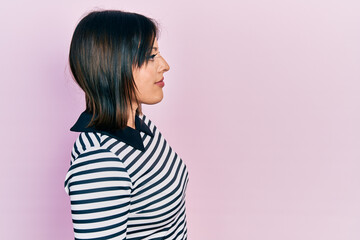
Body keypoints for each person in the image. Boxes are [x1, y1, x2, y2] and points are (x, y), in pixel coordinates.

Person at [64, 10, 189, 240]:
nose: (165, 65)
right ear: (114, 66)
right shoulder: (100, 162)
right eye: (151, 56)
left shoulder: (140, 125)